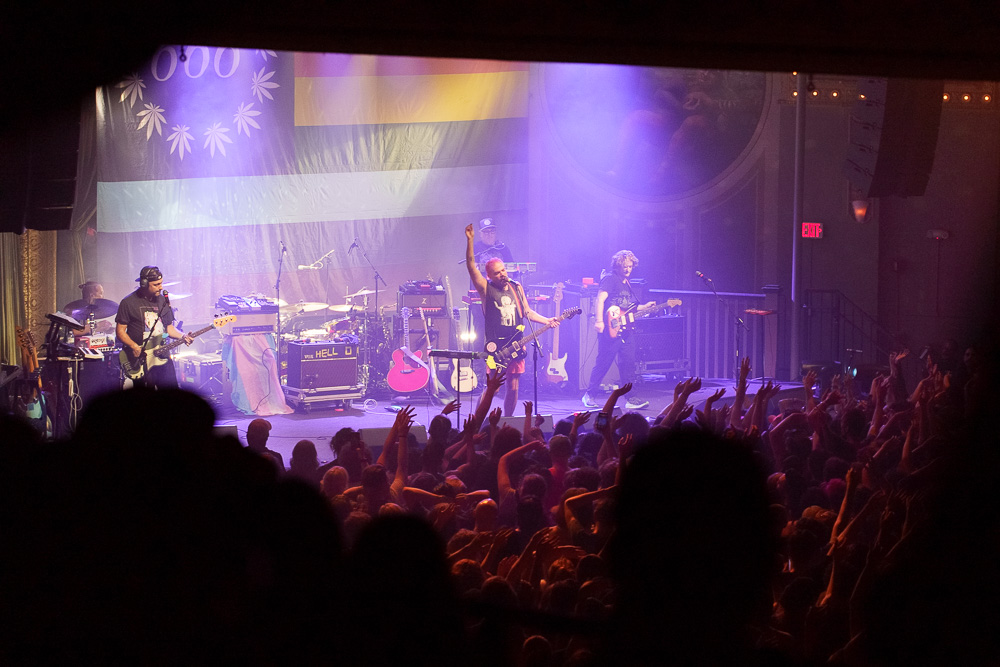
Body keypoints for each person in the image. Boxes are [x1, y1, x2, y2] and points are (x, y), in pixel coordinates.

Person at [465, 223, 557, 416]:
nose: (502, 274)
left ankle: (508, 420)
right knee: (493, 387)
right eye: (497, 273)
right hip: (496, 348)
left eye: (503, 270)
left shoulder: (516, 287)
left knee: (513, 386)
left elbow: (528, 313)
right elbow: (471, 266)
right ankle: (476, 421)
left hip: (516, 344)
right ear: (489, 276)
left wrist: (547, 320)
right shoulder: (486, 290)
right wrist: (471, 241)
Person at [582, 250, 651, 410]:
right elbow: (600, 299)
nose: (627, 269)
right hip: (610, 329)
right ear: (617, 266)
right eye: (624, 266)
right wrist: (599, 321)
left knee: (628, 364)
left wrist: (645, 307)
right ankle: (589, 395)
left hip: (626, 330)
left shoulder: (627, 283)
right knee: (603, 362)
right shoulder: (610, 279)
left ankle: (631, 398)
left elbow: (628, 307)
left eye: (630, 266)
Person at [115, 265, 193, 389]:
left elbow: (169, 329)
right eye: (156, 284)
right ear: (144, 284)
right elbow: (120, 331)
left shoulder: (162, 301)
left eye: (161, 283)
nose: (161, 287)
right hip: (141, 358)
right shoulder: (128, 303)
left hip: (162, 355)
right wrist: (133, 346)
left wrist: (183, 336)